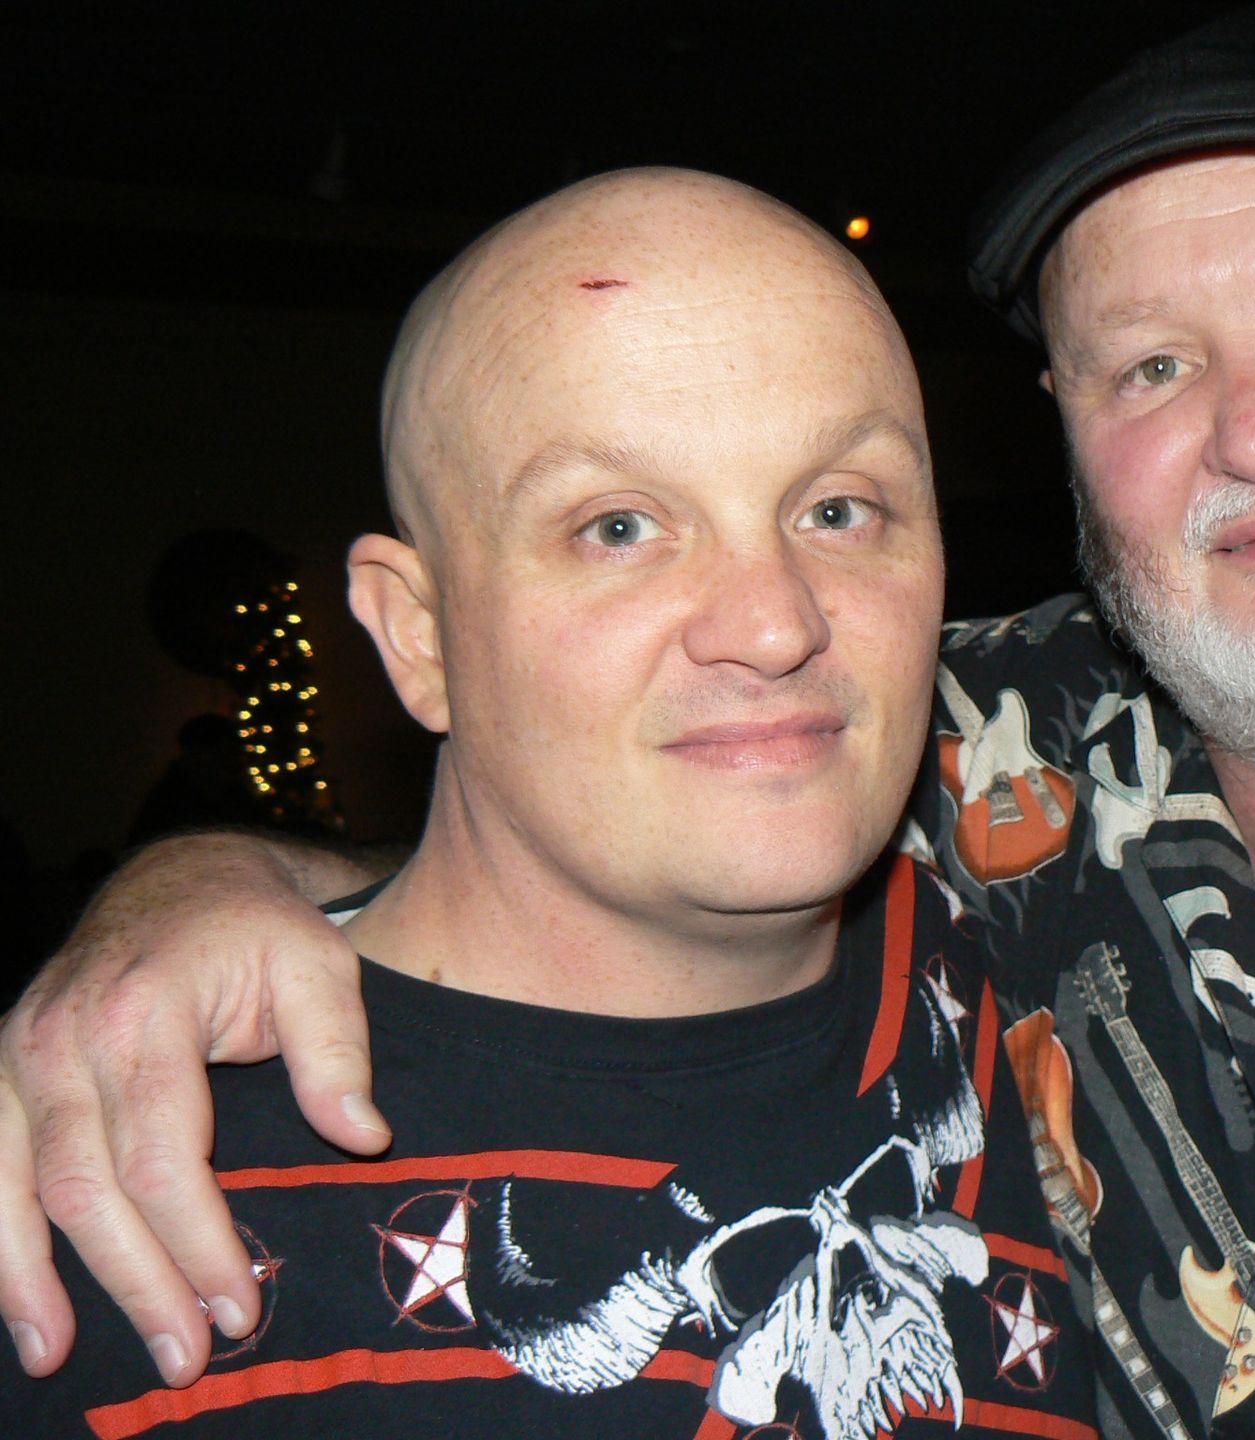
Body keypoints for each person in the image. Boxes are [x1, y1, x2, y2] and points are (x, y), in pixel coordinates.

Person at [6, 8, 1255, 1437]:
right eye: (1155, 364)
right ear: (1070, 439)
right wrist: (184, 896)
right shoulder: (983, 758)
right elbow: (587, 825)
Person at [0, 167, 1099, 1439]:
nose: (774, 621)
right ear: (417, 636)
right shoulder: (121, 1201)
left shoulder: (1046, 959)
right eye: (618, 527)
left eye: (840, 508)